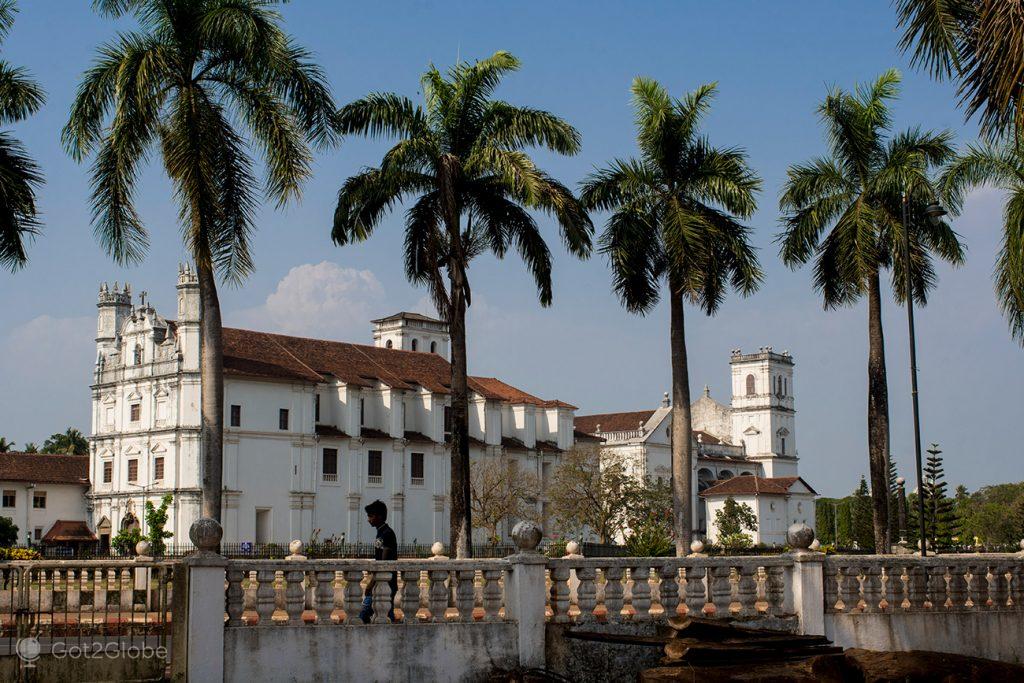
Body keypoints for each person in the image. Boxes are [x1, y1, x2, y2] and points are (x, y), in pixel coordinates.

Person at [359, 499, 397, 623]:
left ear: (379, 516)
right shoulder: (380, 532)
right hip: (382, 582)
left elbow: (383, 563)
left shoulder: (387, 533)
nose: (368, 519)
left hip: (386, 582)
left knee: (364, 614)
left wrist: (371, 584)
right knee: (387, 614)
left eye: (371, 516)